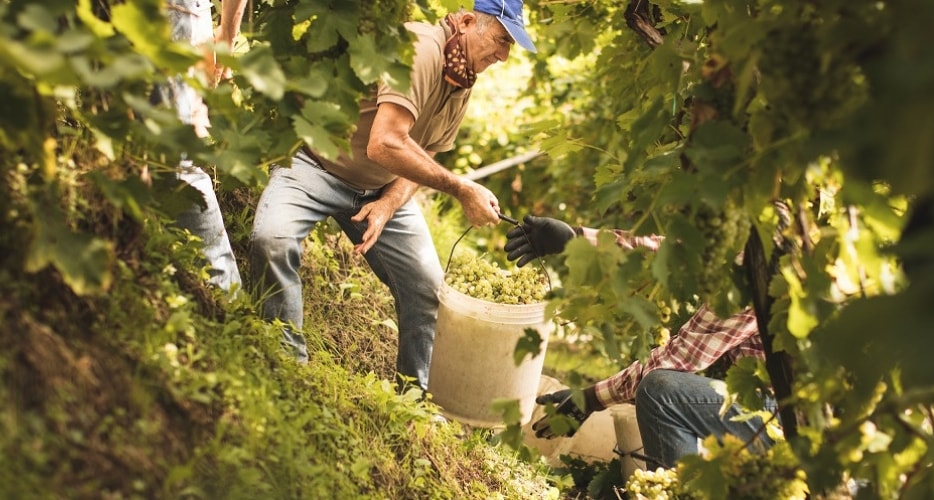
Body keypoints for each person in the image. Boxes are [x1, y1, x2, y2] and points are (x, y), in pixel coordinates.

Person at [249, 0, 537, 391]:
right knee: (272, 241)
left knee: (428, 291)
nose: (503, 56)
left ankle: (413, 398)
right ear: (468, 21)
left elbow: (427, 149)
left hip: (381, 189)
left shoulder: (462, 76)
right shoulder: (421, 49)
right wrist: (461, 188)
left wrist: (388, 203)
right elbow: (384, 144)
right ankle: (285, 368)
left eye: (510, 48)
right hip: (316, 168)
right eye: (501, 40)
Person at [504, 215, 779, 470]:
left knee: (661, 392)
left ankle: (673, 493)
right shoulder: (756, 226)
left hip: (785, 424)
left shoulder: (753, 264)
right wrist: (575, 239)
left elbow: (683, 356)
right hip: (769, 408)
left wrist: (590, 398)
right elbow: (674, 254)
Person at [158, 0, 248, 293]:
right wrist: (226, 38)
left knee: (172, 159)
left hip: (175, 13)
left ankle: (227, 294)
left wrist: (226, 38)